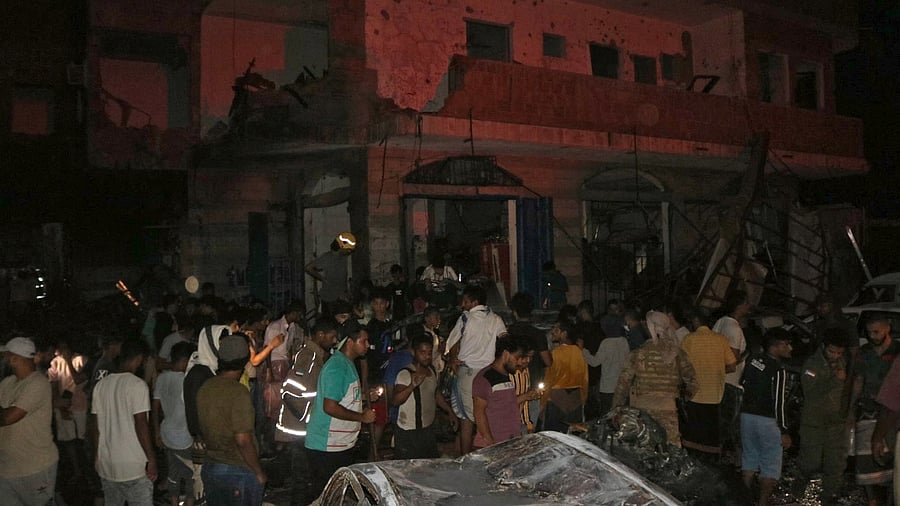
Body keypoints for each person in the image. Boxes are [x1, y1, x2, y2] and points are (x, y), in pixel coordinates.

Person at [305, 321, 376, 498]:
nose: (368, 345)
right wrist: (362, 417)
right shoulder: (337, 367)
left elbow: (342, 397)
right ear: (350, 342)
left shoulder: (347, 363)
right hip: (327, 446)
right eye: (364, 340)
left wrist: (365, 397)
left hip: (339, 443)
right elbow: (330, 406)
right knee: (328, 497)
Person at [197, 334, 267, 506]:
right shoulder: (238, 392)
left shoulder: (206, 387)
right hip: (237, 468)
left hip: (211, 466)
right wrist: (258, 471)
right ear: (244, 361)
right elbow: (243, 440)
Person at [613, 310, 698, 446]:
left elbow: (623, 385)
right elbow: (693, 383)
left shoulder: (638, 353)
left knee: (643, 453)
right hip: (668, 412)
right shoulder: (677, 353)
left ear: (650, 327)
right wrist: (681, 399)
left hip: (641, 413)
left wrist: (616, 410)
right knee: (671, 455)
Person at [276, 320, 338, 506]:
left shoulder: (316, 356)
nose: (334, 341)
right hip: (299, 430)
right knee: (302, 480)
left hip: (304, 429)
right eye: (332, 336)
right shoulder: (309, 356)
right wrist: (308, 417)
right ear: (320, 335)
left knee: (306, 478)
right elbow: (289, 389)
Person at [90, 339, 156, 506]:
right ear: (139, 358)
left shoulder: (101, 385)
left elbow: (96, 427)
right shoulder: (137, 385)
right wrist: (151, 459)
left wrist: (98, 456)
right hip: (133, 465)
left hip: (108, 464)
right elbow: (141, 424)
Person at [445, 285, 508, 454]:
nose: (463, 305)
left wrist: (452, 360)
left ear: (474, 302)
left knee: (468, 421)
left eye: (465, 301)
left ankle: (468, 460)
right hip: (488, 375)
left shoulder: (466, 318)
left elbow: (451, 342)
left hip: (468, 374)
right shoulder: (496, 319)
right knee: (486, 418)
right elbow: (505, 339)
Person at [0, 337, 59, 506]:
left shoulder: (38, 383)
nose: (3, 359)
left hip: (35, 466)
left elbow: (8, 417)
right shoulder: (7, 383)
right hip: (7, 467)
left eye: (6, 355)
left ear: (15, 358)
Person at [740, 328, 793, 506]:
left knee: (749, 460)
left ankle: (744, 500)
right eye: (786, 344)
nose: (790, 348)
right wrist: (784, 430)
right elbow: (779, 402)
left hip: (747, 417)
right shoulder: (778, 370)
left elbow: (742, 384)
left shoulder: (753, 360)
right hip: (768, 421)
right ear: (775, 346)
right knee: (770, 465)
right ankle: (762, 503)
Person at [851, 316, 900, 505]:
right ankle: (872, 498)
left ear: (887, 328)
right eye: (869, 332)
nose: (872, 336)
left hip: (891, 412)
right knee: (865, 457)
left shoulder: (897, 351)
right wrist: (850, 410)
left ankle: (890, 497)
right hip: (868, 409)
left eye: (877, 331)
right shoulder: (864, 352)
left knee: (891, 457)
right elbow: (858, 380)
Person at [798, 328, 851, 504]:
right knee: (810, 463)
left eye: (839, 352)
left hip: (836, 423)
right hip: (813, 423)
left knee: (834, 465)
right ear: (823, 347)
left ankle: (828, 497)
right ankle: (798, 487)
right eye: (832, 351)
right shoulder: (812, 364)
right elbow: (811, 392)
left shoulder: (844, 362)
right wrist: (834, 380)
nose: (835, 355)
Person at [679, 307, 737, 460]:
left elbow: (682, 366)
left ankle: (692, 461)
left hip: (694, 394)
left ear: (695, 321)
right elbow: (732, 366)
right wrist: (716, 368)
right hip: (715, 396)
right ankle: (712, 462)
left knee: (693, 435)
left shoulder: (689, 339)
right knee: (711, 435)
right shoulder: (721, 340)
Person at [391, 334, 456, 458]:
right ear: (414, 352)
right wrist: (412, 386)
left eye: (429, 352)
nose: (427, 356)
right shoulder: (406, 374)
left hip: (427, 430)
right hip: (408, 432)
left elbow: (435, 394)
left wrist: (449, 411)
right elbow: (395, 401)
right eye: (423, 352)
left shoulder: (432, 370)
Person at [152, 341, 197, 506]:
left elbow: (155, 408)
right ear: (185, 359)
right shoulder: (186, 380)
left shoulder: (162, 377)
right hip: (183, 435)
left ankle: (174, 501)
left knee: (173, 472)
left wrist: (156, 433)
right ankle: (190, 502)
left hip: (166, 433)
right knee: (192, 473)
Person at [472, 336, 535, 449]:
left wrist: (526, 396)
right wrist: (490, 442)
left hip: (508, 443)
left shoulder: (506, 376)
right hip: (492, 446)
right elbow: (479, 412)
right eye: (518, 357)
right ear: (506, 354)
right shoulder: (485, 378)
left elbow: (506, 404)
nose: (521, 362)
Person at [714, 290, 751, 466]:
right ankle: (734, 462)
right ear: (740, 306)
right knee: (732, 426)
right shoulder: (734, 329)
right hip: (731, 383)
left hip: (719, 382)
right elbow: (733, 359)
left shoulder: (720, 322)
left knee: (721, 424)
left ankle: (720, 457)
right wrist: (746, 355)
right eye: (746, 303)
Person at [508, 292, 551, 433]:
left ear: (514, 312)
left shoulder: (507, 333)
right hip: (533, 386)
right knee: (528, 428)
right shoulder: (538, 334)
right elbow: (548, 361)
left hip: (511, 387)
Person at [47, 339, 89, 483]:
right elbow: (53, 385)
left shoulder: (81, 360)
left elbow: (78, 380)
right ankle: (77, 471)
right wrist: (59, 405)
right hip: (64, 405)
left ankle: (88, 469)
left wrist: (68, 362)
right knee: (68, 440)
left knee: (83, 439)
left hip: (81, 405)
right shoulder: (55, 363)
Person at [541, 320, 588, 432]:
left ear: (564, 333)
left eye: (556, 330)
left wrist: (543, 402)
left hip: (557, 397)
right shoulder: (579, 352)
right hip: (575, 398)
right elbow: (585, 378)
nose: (552, 332)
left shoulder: (555, 353)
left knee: (554, 433)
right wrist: (583, 399)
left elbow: (549, 378)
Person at [582, 319, 630, 417]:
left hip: (608, 387)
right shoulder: (624, 341)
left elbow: (594, 362)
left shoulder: (606, 343)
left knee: (607, 416)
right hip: (622, 385)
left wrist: (583, 351)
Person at [305, 232, 355, 320]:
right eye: (348, 250)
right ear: (341, 247)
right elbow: (309, 268)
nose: (349, 252)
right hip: (330, 300)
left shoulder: (343, 258)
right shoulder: (328, 257)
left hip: (341, 299)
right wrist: (322, 279)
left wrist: (347, 292)